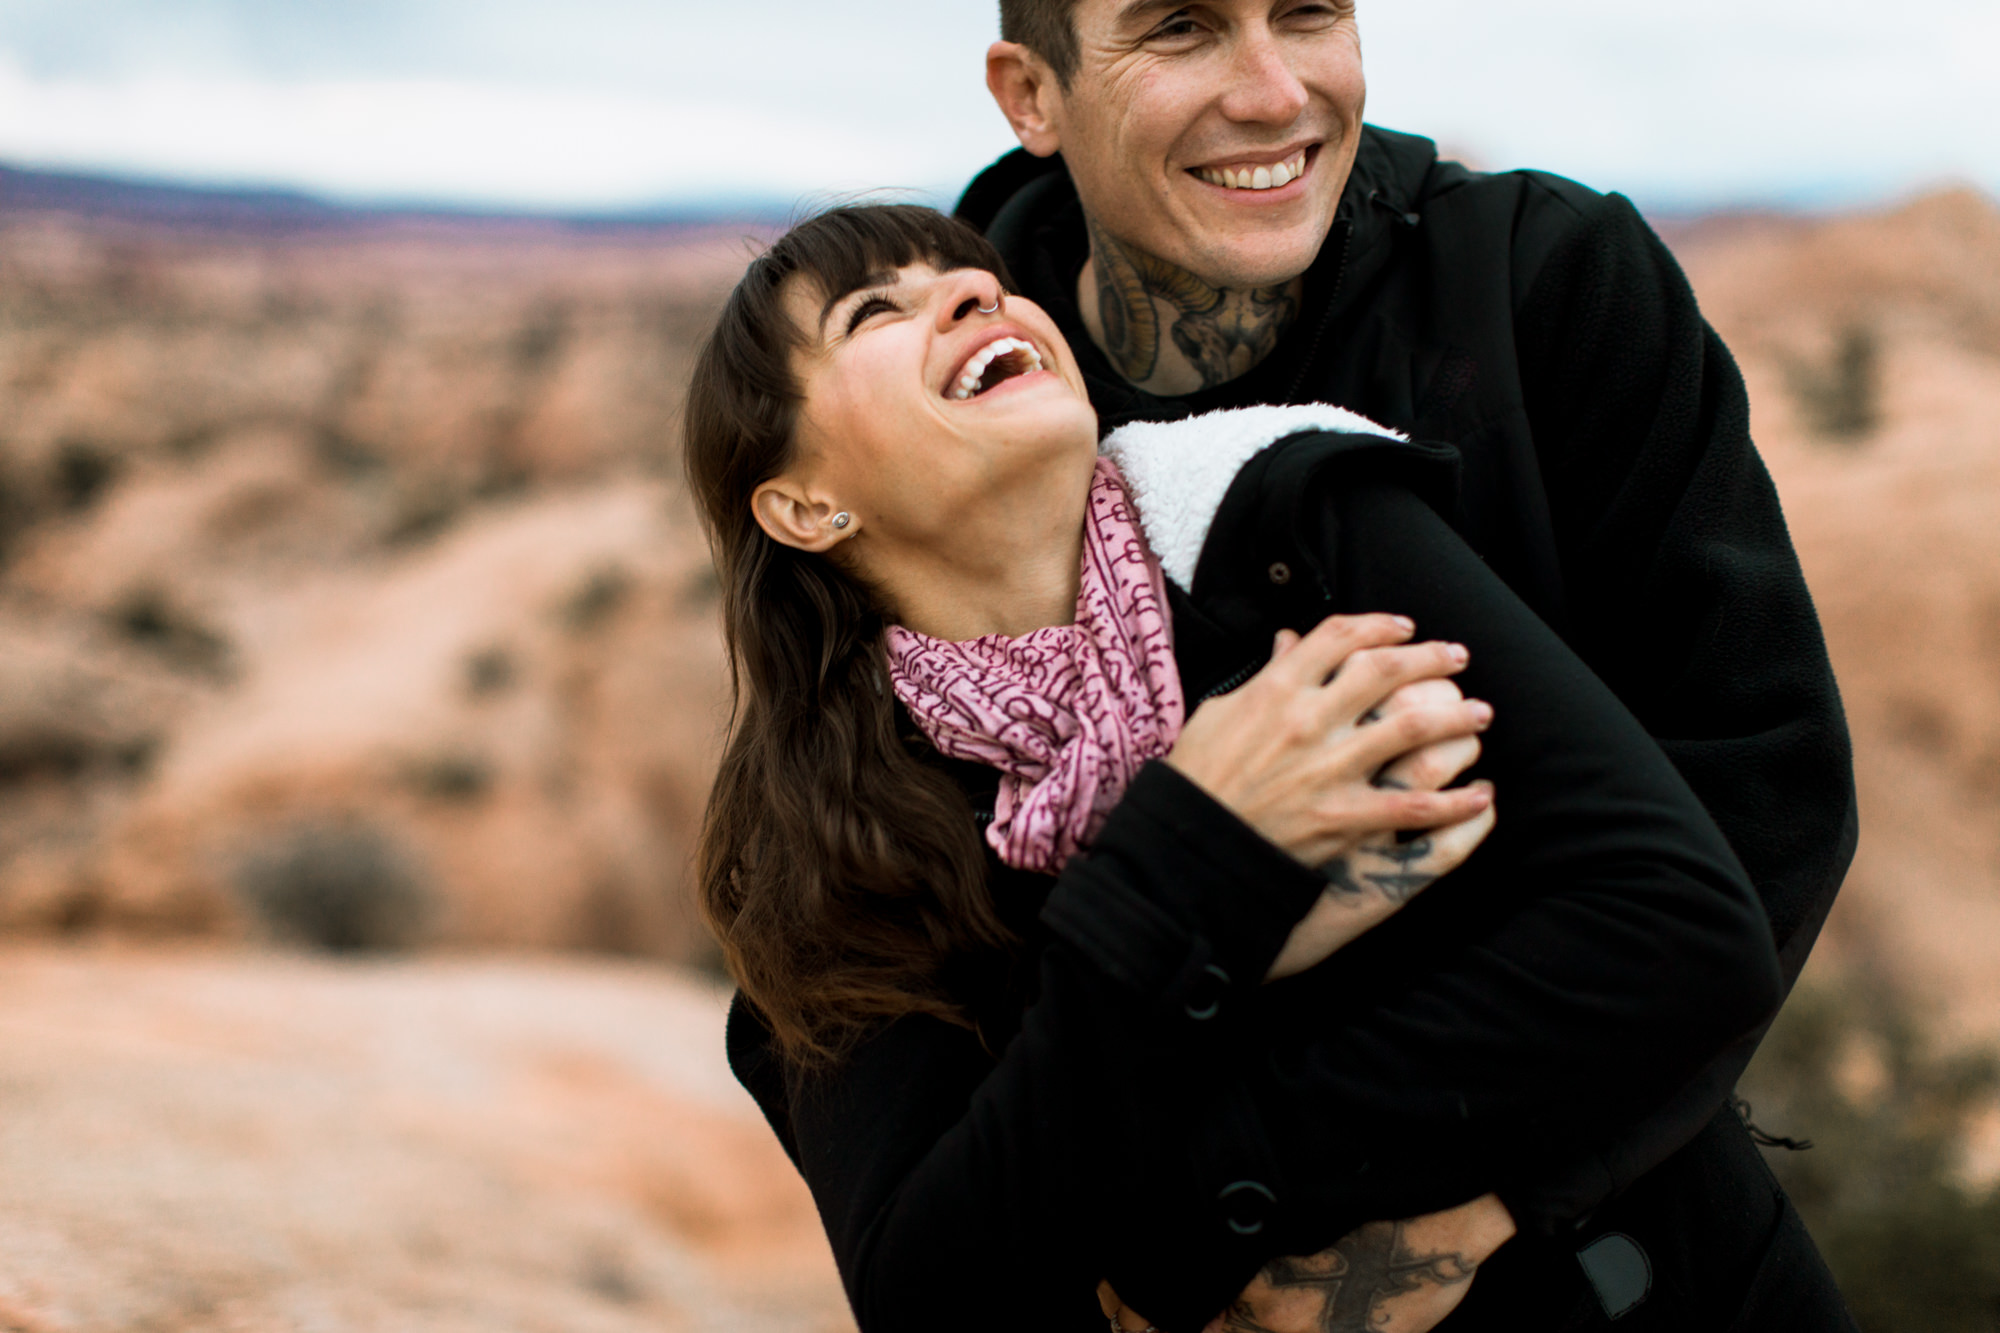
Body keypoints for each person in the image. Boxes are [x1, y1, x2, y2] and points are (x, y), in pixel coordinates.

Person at [684, 202, 1824, 1332]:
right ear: (803, 504)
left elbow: (1678, 931)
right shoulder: (819, 861)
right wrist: (1187, 861)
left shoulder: (1287, 517)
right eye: (874, 310)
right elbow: (935, 1292)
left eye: (973, 274)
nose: (973, 293)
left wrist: (1179, 1222)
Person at [964, 0, 1858, 1323]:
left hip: (1634, 1270)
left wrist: (1449, 1219)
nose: (1275, 92)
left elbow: (1763, 792)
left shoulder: (1546, 283)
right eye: (1185, 29)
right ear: (1032, 94)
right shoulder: (949, 402)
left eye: (1308, 13)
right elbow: (843, 896)